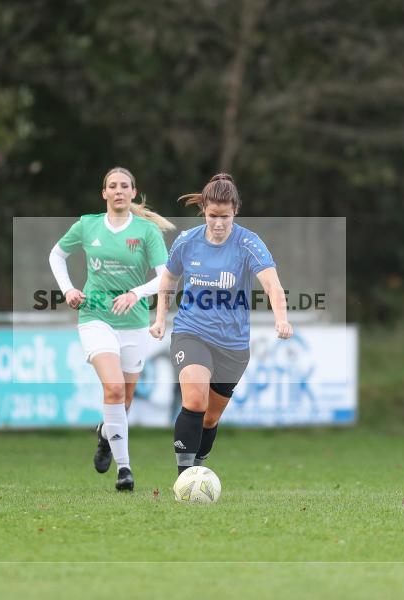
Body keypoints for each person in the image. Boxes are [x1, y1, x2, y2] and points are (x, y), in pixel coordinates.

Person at [150, 173, 293, 476]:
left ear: (235, 212)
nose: (218, 223)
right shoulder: (187, 242)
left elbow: (272, 285)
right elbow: (168, 279)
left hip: (232, 344)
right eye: (212, 215)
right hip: (191, 332)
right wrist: (160, 318)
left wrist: (281, 318)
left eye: (224, 217)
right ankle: (184, 478)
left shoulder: (249, 243)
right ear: (203, 209)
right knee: (195, 399)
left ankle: (197, 471)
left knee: (210, 418)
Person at [49, 167, 174, 491]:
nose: (119, 191)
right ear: (104, 193)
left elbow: (165, 276)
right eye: (113, 186)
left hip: (134, 322)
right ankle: (125, 470)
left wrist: (135, 294)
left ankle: (106, 433)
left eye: (124, 186)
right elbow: (57, 255)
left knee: (125, 401)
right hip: (95, 317)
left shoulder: (146, 232)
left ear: (133, 192)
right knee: (115, 389)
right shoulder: (87, 225)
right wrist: (68, 290)